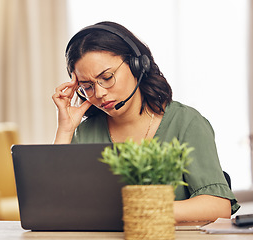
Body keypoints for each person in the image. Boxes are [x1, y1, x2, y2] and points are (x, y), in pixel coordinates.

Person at [52, 21, 239, 222]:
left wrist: (144, 209)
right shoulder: (85, 132)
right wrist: (65, 130)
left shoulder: (186, 123)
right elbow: (52, 204)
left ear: (137, 65)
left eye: (107, 77)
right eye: (87, 86)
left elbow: (219, 206)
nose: (99, 93)